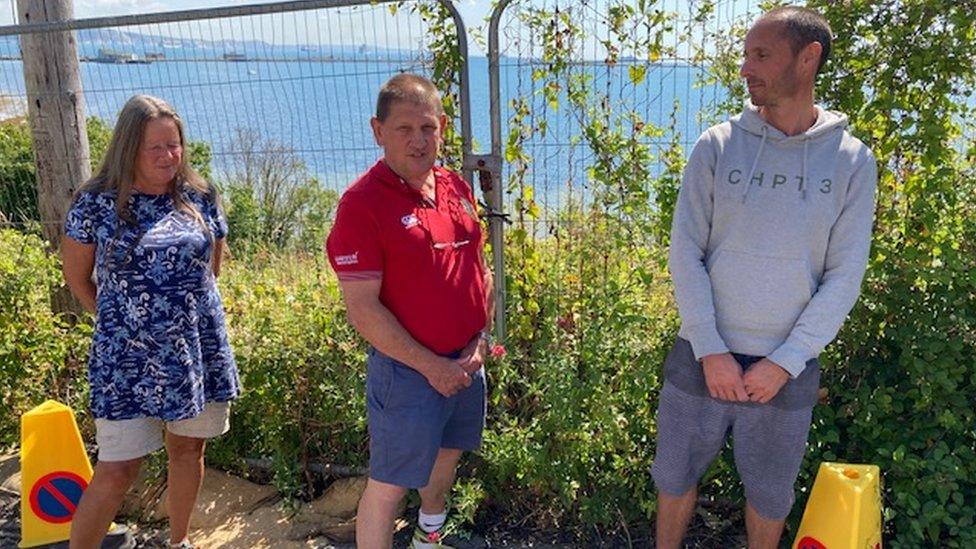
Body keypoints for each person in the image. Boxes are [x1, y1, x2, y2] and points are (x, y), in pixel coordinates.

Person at [651, 7, 877, 548]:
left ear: (808, 57)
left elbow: (845, 275)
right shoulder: (717, 145)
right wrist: (709, 349)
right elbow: (685, 252)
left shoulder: (852, 161)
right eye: (746, 54)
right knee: (674, 478)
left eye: (761, 55)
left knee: (771, 495)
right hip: (699, 354)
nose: (746, 68)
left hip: (786, 368)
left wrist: (785, 361)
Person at [62, 94, 240, 549]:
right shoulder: (95, 203)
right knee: (117, 468)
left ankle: (178, 542)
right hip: (126, 359)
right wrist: (121, 324)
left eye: (174, 145)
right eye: (154, 148)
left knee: (187, 449)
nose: (168, 156)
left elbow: (211, 268)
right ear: (127, 150)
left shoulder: (201, 196)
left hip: (194, 351)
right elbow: (77, 278)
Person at [326, 73, 494, 549]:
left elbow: (479, 269)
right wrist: (431, 367)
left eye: (428, 128)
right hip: (407, 374)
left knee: (445, 460)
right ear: (378, 131)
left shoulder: (455, 186)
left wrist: (478, 342)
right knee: (389, 485)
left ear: (442, 126)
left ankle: (429, 537)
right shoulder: (362, 205)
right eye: (404, 129)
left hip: (464, 363)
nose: (419, 141)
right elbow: (362, 309)